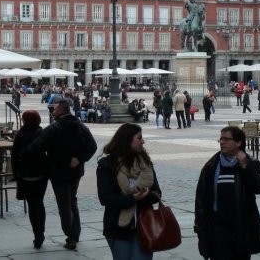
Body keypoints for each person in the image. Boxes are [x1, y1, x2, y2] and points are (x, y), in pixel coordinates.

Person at [23, 100, 97, 250]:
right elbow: (92, 146)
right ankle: (76, 233)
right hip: (76, 171)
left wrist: (22, 152)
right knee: (72, 201)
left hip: (58, 172)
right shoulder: (81, 126)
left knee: (64, 204)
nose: (53, 111)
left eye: (55, 109)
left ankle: (71, 236)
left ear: (61, 110)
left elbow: (37, 146)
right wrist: (79, 159)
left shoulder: (53, 129)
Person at [194, 126, 260, 260]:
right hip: (218, 227)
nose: (222, 142)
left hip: (241, 225)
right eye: (220, 139)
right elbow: (201, 197)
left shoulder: (251, 162)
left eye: (227, 139)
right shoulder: (211, 166)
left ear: (238, 142)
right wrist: (200, 225)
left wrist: (246, 167)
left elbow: (259, 187)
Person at [96, 123, 161, 260]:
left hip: (144, 226)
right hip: (118, 228)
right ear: (127, 140)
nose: (143, 141)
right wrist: (134, 199)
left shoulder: (145, 163)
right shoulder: (107, 165)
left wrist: (145, 196)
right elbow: (106, 198)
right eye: (139, 138)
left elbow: (157, 194)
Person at [11, 110, 48, 249]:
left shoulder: (20, 135)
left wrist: (16, 174)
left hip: (26, 175)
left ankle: (37, 235)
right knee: (40, 203)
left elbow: (14, 157)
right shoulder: (42, 132)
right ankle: (41, 231)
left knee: (32, 206)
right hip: (41, 174)